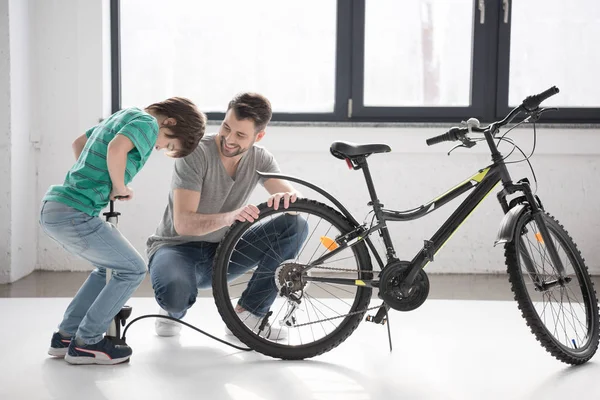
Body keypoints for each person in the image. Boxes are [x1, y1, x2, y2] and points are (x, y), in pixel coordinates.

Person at [41, 97, 206, 364]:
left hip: (58, 207)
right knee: (133, 269)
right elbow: (117, 149)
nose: (158, 146)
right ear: (170, 122)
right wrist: (118, 185)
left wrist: (96, 181)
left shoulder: (125, 115)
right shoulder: (148, 124)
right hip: (74, 213)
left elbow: (79, 144)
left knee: (107, 269)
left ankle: (66, 336)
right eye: (168, 143)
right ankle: (87, 341)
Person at [146, 92, 308, 339]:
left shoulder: (260, 158)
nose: (229, 139)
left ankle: (248, 315)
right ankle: (172, 310)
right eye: (226, 127)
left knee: (295, 224)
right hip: (176, 247)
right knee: (175, 294)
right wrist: (230, 217)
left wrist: (286, 199)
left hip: (225, 250)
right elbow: (183, 224)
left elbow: (296, 201)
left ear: (259, 136)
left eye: (241, 135)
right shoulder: (196, 153)